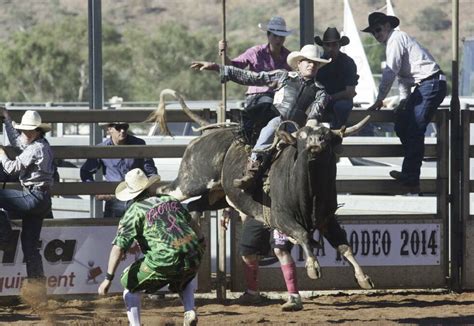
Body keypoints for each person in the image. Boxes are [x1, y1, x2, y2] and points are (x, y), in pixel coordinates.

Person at [192, 44, 330, 310]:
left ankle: (304, 198)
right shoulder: (281, 77)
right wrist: (219, 68)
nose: (311, 65)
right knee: (272, 125)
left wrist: (306, 133)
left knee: (310, 151)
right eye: (307, 62)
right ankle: (254, 166)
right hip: (278, 123)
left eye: (315, 63)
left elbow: (314, 117)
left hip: (299, 132)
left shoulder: (321, 93)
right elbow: (251, 78)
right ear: (298, 62)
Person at [98, 168, 205, 326]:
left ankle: (135, 324)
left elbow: (118, 247)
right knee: (185, 277)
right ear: (148, 187)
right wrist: (201, 242)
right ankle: (189, 310)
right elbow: (192, 223)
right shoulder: (170, 200)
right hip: (193, 250)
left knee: (130, 284)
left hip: (165, 257)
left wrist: (108, 278)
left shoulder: (134, 212)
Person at [363, 12, 447, 193]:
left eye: (377, 30)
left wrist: (380, 99)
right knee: (402, 123)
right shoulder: (396, 41)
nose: (376, 35)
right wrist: (402, 101)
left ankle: (411, 176)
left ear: (387, 26)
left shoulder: (396, 39)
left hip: (430, 82)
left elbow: (390, 72)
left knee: (415, 128)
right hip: (427, 84)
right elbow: (403, 79)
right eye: (373, 32)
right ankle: (411, 169)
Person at [0, 109, 55, 306]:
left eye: (27, 131)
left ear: (36, 131)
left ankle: (4, 235)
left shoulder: (35, 148)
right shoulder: (41, 145)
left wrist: (0, 153)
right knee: (30, 247)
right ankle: (39, 295)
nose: (25, 134)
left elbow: (12, 168)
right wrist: (7, 120)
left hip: (33, 196)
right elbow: (18, 142)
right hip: (42, 200)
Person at [219, 16, 293, 143]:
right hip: (257, 97)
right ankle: (247, 139)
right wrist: (223, 53)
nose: (278, 39)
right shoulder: (256, 52)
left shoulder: (288, 57)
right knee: (267, 105)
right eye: (275, 36)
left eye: (281, 36)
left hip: (279, 99)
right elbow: (233, 66)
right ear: (268, 36)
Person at [80, 98, 158, 218]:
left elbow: (150, 170)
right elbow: (85, 171)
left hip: (137, 196)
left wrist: (149, 189)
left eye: (125, 127)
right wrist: (97, 190)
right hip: (115, 197)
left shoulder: (139, 144)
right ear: (109, 129)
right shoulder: (101, 149)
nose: (122, 130)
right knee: (113, 231)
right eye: (118, 127)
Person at [315, 27, 359, 128]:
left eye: (334, 44)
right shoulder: (317, 63)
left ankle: (336, 134)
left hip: (340, 101)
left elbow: (349, 92)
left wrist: (329, 98)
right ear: (323, 46)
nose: (331, 48)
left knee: (342, 106)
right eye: (327, 45)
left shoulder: (348, 63)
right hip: (320, 101)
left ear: (339, 45)